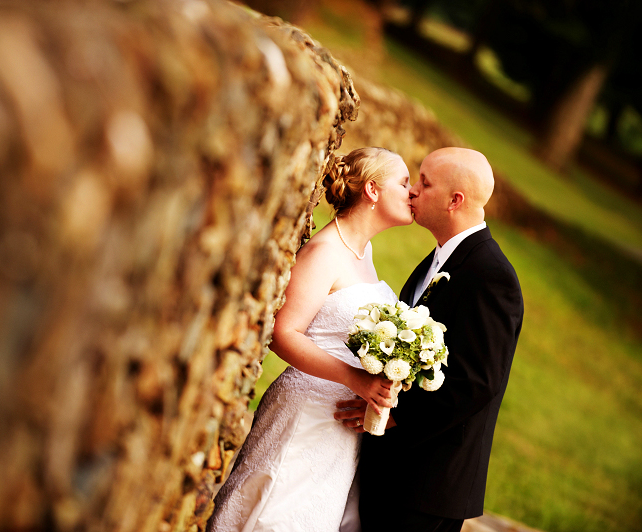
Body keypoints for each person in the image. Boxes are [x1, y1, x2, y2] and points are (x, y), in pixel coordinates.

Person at [207, 147, 413, 532]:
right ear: (372, 189)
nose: (413, 192)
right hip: (306, 414)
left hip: (339, 427)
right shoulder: (324, 252)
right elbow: (283, 333)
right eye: (403, 183)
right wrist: (355, 380)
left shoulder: (363, 252)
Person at [335, 147, 524, 532]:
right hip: (397, 471)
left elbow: (477, 383)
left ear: (456, 200)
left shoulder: (491, 275)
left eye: (424, 182)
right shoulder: (438, 258)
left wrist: (394, 416)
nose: (413, 191)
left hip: (428, 484)